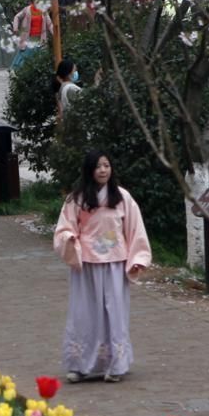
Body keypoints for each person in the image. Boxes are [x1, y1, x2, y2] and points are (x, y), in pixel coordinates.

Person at [54, 151, 150, 383]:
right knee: (84, 313)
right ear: (89, 170)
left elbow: (135, 229)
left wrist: (137, 258)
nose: (103, 170)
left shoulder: (122, 197)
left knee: (114, 313)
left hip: (115, 264)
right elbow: (64, 228)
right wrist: (69, 240)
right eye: (98, 166)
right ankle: (80, 365)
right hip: (85, 264)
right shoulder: (77, 199)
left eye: (107, 165)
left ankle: (115, 365)